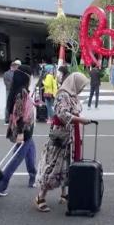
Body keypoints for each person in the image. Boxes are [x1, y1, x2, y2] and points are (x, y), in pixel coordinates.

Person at [35, 73, 92, 212]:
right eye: (81, 85)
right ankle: (40, 197)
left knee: (68, 164)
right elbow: (62, 114)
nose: (82, 89)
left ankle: (64, 194)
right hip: (60, 134)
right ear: (75, 83)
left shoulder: (72, 95)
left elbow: (74, 113)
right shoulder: (62, 95)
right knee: (53, 164)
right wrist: (80, 120)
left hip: (71, 134)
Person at [0, 65, 37, 197]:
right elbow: (19, 114)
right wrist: (20, 133)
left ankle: (33, 177)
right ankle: (1, 186)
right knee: (15, 159)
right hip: (24, 131)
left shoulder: (17, 90)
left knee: (31, 153)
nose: (32, 79)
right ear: (26, 77)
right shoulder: (21, 92)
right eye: (31, 76)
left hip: (27, 130)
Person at [3, 60, 21, 124]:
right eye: (15, 66)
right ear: (12, 66)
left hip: (14, 90)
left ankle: (14, 118)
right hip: (10, 90)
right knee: (9, 104)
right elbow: (6, 83)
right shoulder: (6, 73)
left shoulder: (17, 73)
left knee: (16, 104)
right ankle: (7, 119)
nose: (16, 67)